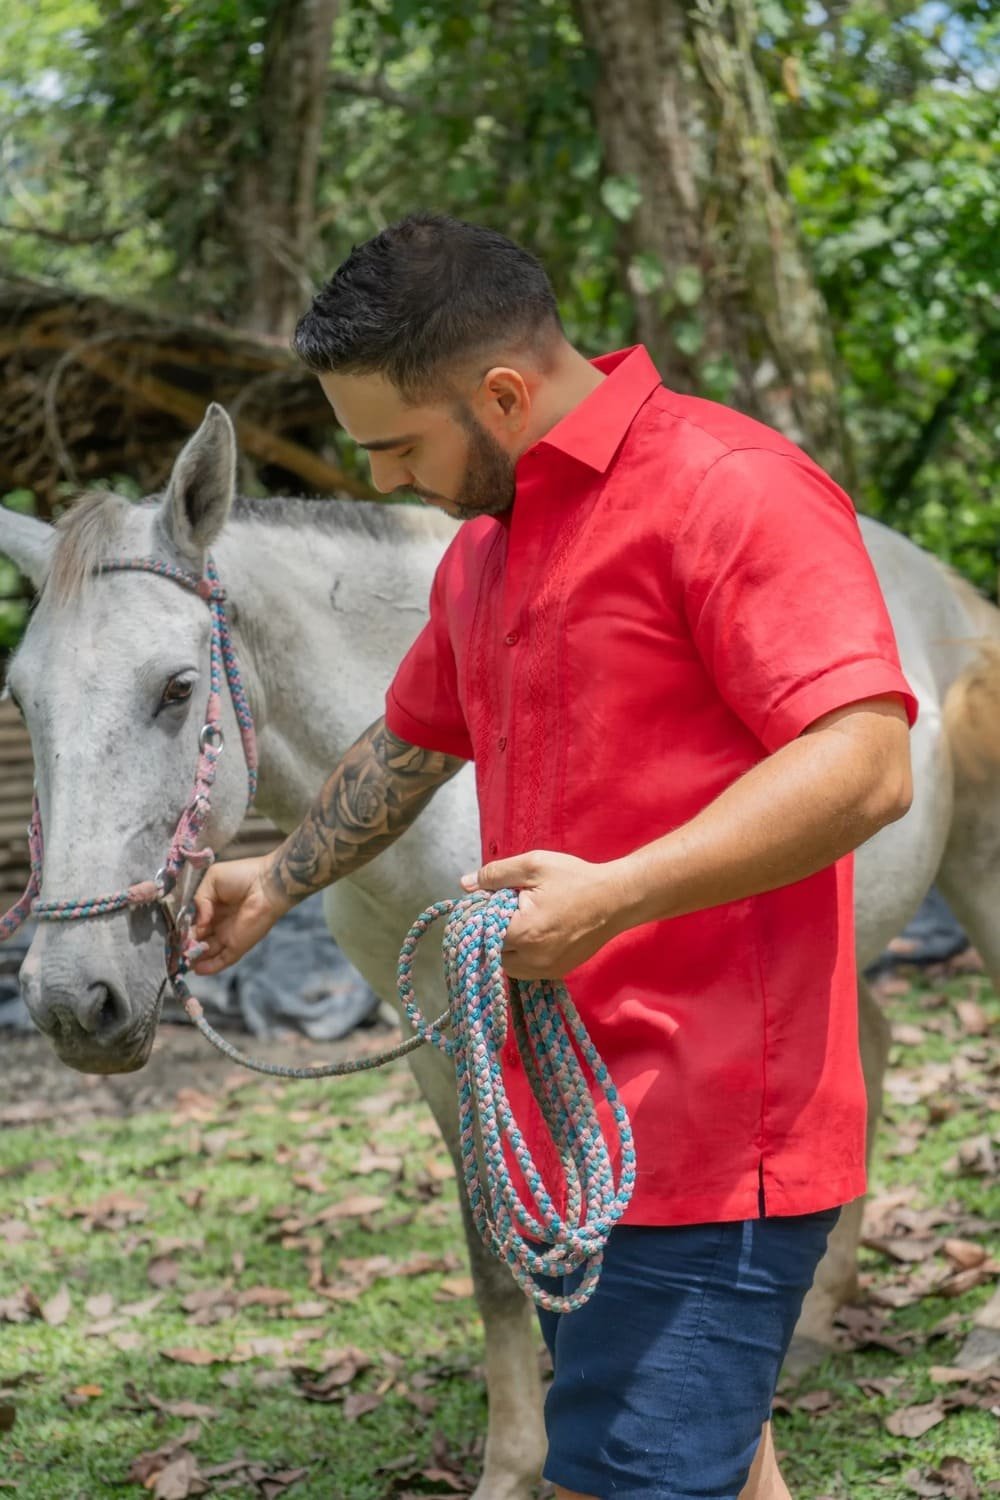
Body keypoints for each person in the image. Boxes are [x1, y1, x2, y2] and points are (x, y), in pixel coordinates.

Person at [192, 213, 917, 1500]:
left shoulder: (729, 488)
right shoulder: (489, 548)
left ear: (505, 393)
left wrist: (618, 896)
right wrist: (279, 880)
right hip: (574, 1137)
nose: (381, 481)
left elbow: (862, 760)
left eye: (397, 445)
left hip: (710, 1146)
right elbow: (413, 738)